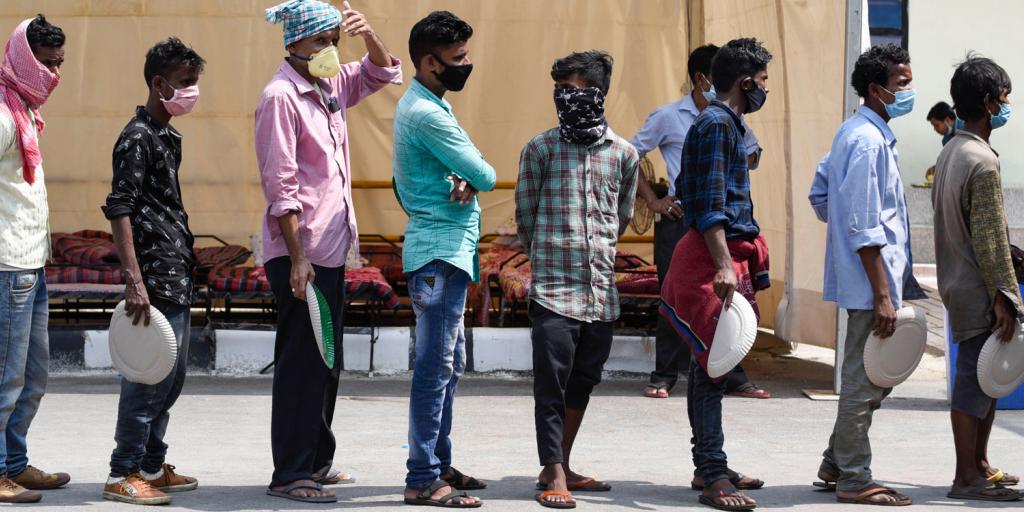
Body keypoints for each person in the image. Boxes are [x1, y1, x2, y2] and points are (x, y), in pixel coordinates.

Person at [256, 0, 402, 504]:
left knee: (326, 360)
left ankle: (315, 461)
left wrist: (369, 34)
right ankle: (290, 472)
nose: (330, 49)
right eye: (321, 41)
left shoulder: (329, 86)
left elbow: (384, 71)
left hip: (332, 250)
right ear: (294, 42)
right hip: (303, 252)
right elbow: (281, 186)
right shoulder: (281, 97)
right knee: (301, 362)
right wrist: (298, 258)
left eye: (334, 39)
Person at [517, 50, 639, 509]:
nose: (565, 98)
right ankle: (551, 470)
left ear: (598, 93)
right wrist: (551, 256)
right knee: (550, 382)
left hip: (600, 292)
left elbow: (621, 215)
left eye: (574, 90)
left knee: (584, 380)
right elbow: (526, 218)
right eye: (560, 91)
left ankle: (563, 462)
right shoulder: (541, 149)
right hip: (552, 288)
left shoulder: (624, 154)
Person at [807, 44, 924, 507]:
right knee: (864, 380)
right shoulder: (865, 140)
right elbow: (863, 225)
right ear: (877, 90)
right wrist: (880, 293)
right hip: (869, 285)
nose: (909, 91)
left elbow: (823, 194)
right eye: (902, 83)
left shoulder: (858, 133)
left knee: (875, 376)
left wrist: (843, 227)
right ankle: (854, 477)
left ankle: (836, 460)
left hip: (872, 279)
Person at [659, 38, 772, 511]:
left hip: (719, 259)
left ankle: (712, 464)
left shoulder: (725, 123)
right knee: (712, 368)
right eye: (763, 81)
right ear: (745, 82)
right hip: (708, 264)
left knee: (711, 367)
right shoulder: (716, 125)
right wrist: (724, 265)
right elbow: (706, 204)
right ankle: (711, 473)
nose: (766, 89)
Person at [631, 43, 770, 401]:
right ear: (702, 78)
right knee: (675, 295)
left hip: (721, 219)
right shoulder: (674, 116)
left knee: (727, 300)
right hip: (686, 217)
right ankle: (665, 374)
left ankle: (729, 369)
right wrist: (654, 201)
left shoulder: (728, 120)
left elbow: (751, 157)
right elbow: (631, 156)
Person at [393, 11, 492, 508]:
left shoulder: (425, 102)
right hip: (439, 256)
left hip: (445, 253)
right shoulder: (428, 113)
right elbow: (486, 171)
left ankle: (438, 461)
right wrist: (470, 173)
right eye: (458, 59)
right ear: (429, 62)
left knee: (446, 367)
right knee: (434, 369)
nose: (465, 65)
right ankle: (423, 477)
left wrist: (464, 176)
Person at [101, 37, 205, 506]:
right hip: (152, 280)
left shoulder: (166, 135)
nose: (191, 92)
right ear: (159, 83)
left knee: (171, 376)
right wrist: (134, 279)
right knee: (147, 379)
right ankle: (122, 472)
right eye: (185, 83)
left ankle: (150, 464)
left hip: (175, 273)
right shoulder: (137, 137)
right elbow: (120, 207)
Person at [933, 54, 1023, 502]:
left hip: (957, 280)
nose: (1008, 104)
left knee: (985, 379)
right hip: (978, 289)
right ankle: (966, 475)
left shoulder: (952, 149)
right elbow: (988, 239)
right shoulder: (982, 160)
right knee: (975, 379)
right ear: (988, 103)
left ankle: (979, 464)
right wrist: (1006, 297)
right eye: (1004, 96)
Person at [0, 14, 69, 504]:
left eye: (59, 64)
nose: (53, 75)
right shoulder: (3, 116)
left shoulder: (21, 108)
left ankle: (14, 464)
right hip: (8, 265)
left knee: (33, 376)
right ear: (25, 61)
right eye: (46, 64)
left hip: (31, 262)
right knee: (7, 376)